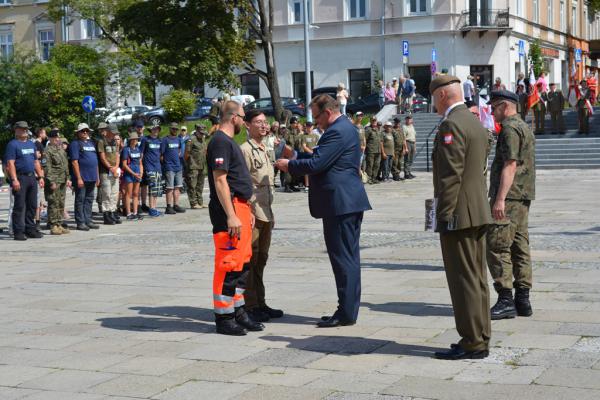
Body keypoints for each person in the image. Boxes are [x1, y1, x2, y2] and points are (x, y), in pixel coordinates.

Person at [275, 94, 371, 327]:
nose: (315, 122)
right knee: (348, 258)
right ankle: (347, 309)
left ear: (327, 112)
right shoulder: (343, 128)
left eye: (317, 117)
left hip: (340, 203)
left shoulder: (337, 131)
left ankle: (346, 312)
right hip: (346, 202)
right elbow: (322, 156)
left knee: (343, 259)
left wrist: (289, 165)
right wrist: (295, 154)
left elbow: (317, 164)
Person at [429, 75, 492, 360]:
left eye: (433, 96)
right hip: (477, 210)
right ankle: (480, 335)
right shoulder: (473, 121)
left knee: (463, 279)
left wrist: (442, 216)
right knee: (477, 277)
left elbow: (450, 176)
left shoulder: (451, 124)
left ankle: (472, 341)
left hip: (459, 214)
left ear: (442, 95)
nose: (432, 102)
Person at [207, 100, 264, 336]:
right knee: (228, 264)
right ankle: (224, 317)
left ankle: (239, 312)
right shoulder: (220, 142)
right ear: (233, 118)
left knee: (242, 264)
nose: (243, 120)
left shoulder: (228, 142)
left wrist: (246, 211)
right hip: (228, 211)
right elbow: (220, 180)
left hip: (240, 207)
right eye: (242, 116)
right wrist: (231, 215)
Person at [487, 90, 536, 320]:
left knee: (497, 245)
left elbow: (510, 164)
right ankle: (523, 299)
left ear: (505, 106)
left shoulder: (509, 128)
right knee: (519, 245)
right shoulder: (524, 126)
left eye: (494, 107)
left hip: (510, 195)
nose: (492, 111)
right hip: (523, 195)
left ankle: (505, 298)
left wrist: (499, 198)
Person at [239, 110, 283, 323]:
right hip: (253, 212)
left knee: (262, 259)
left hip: (266, 210)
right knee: (252, 259)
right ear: (247, 125)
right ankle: (251, 305)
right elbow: (243, 184)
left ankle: (261, 302)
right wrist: (247, 212)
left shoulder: (266, 149)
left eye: (265, 122)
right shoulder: (245, 150)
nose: (264, 126)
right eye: (258, 122)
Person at [4, 121, 45, 240]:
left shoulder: (31, 144)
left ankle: (30, 229)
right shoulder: (13, 144)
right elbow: (10, 163)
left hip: (32, 177)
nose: (25, 131)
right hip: (20, 177)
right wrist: (14, 179)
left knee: (32, 205)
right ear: (16, 130)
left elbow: (36, 162)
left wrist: (40, 176)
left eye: (26, 129)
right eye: (22, 129)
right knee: (19, 206)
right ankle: (18, 231)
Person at [70, 123, 100, 231]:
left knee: (89, 199)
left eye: (87, 131)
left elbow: (95, 161)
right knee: (80, 200)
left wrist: (97, 176)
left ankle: (88, 219)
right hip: (82, 177)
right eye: (83, 131)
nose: (85, 133)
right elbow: (74, 162)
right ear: (78, 133)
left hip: (92, 176)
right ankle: (80, 222)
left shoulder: (91, 143)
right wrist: (78, 178)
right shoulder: (75, 144)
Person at [43, 128, 71, 235]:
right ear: (50, 138)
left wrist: (68, 178)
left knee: (61, 202)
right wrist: (51, 181)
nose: (57, 139)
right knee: (53, 202)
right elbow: (46, 168)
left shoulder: (60, 150)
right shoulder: (47, 151)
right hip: (54, 180)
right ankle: (53, 225)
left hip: (62, 179)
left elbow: (65, 165)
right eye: (54, 137)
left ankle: (59, 223)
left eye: (58, 137)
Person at [97, 124, 121, 225]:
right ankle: (106, 214)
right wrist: (110, 168)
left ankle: (112, 211)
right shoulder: (102, 141)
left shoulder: (115, 142)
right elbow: (102, 157)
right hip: (106, 171)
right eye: (113, 132)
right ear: (108, 131)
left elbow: (117, 155)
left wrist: (116, 167)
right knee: (106, 193)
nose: (114, 134)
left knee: (114, 193)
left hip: (114, 170)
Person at [161, 123, 186, 214]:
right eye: (173, 129)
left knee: (177, 187)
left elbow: (179, 150)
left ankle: (176, 205)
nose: (175, 130)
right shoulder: (165, 140)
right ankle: (168, 207)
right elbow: (161, 154)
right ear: (170, 129)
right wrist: (166, 164)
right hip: (169, 167)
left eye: (176, 129)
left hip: (178, 166)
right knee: (169, 188)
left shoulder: (178, 139)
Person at [121, 132, 144, 220]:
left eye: (136, 139)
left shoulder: (138, 150)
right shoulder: (126, 150)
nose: (135, 140)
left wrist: (141, 173)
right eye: (133, 139)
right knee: (128, 193)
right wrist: (133, 173)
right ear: (130, 140)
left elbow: (140, 163)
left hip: (137, 173)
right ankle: (128, 213)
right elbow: (124, 165)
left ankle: (135, 212)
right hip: (129, 173)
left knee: (136, 194)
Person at [185, 124, 208, 209]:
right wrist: (188, 164)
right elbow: (186, 154)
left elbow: (205, 151)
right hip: (193, 166)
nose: (202, 134)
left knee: (200, 185)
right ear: (196, 131)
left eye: (203, 133)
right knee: (192, 185)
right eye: (200, 133)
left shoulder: (203, 139)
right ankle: (193, 203)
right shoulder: (191, 140)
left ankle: (200, 202)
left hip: (202, 166)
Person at [142, 126, 163, 217]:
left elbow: (160, 154)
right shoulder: (145, 140)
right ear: (150, 130)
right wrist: (142, 167)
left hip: (157, 167)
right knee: (152, 187)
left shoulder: (159, 141)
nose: (156, 131)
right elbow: (141, 153)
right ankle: (151, 209)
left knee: (156, 190)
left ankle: (154, 208)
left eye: (157, 129)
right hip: (149, 167)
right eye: (154, 129)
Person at [364, 117, 382, 184]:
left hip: (378, 150)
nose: (374, 121)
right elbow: (365, 139)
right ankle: (369, 178)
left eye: (375, 120)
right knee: (370, 165)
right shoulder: (368, 129)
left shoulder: (378, 129)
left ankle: (374, 178)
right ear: (370, 121)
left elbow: (380, 140)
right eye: (373, 120)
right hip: (370, 150)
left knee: (377, 165)